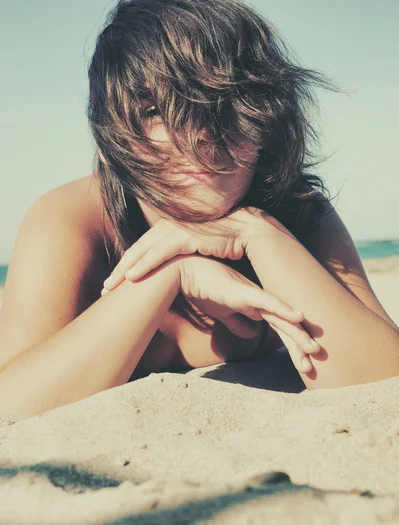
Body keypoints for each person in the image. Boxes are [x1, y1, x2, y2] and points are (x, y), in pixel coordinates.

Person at [0, 0, 398, 416]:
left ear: (267, 115)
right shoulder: (74, 220)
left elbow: (385, 378)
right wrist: (170, 272)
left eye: (219, 103)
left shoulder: (294, 210)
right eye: (155, 111)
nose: (196, 137)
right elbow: (11, 404)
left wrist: (257, 233)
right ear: (112, 130)